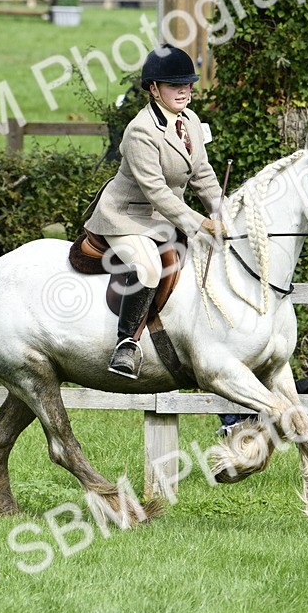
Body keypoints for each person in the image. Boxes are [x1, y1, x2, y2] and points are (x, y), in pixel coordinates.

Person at [83, 45, 223, 379]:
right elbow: (157, 191)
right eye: (175, 86)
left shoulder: (188, 121)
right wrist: (200, 223)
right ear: (154, 89)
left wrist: (223, 212)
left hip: (162, 218)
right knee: (148, 266)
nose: (184, 92)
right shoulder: (140, 130)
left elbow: (202, 174)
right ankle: (126, 345)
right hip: (126, 216)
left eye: (188, 85)